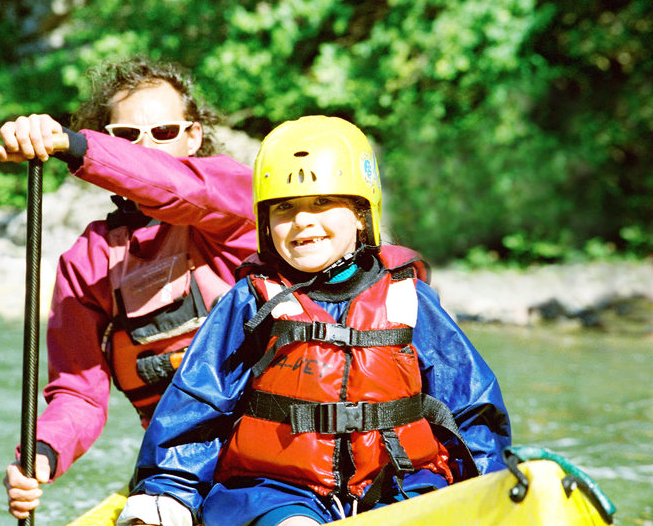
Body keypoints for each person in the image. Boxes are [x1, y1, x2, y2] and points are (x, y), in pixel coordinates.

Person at [117, 116, 511, 526]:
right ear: (266, 224)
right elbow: (200, 400)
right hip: (276, 491)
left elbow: (471, 403)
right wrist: (168, 492)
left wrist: (489, 486)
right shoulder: (252, 302)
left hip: (400, 484)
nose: (303, 220)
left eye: (322, 202)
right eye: (284, 208)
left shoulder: (408, 298)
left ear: (361, 215)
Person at [0, 57, 257, 520]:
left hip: (275, 456)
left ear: (194, 137)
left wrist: (72, 144)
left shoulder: (231, 200)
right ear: (109, 140)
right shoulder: (88, 260)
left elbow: (176, 185)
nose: (147, 147)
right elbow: (79, 393)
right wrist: (41, 453)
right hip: (179, 467)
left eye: (164, 132)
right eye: (127, 136)